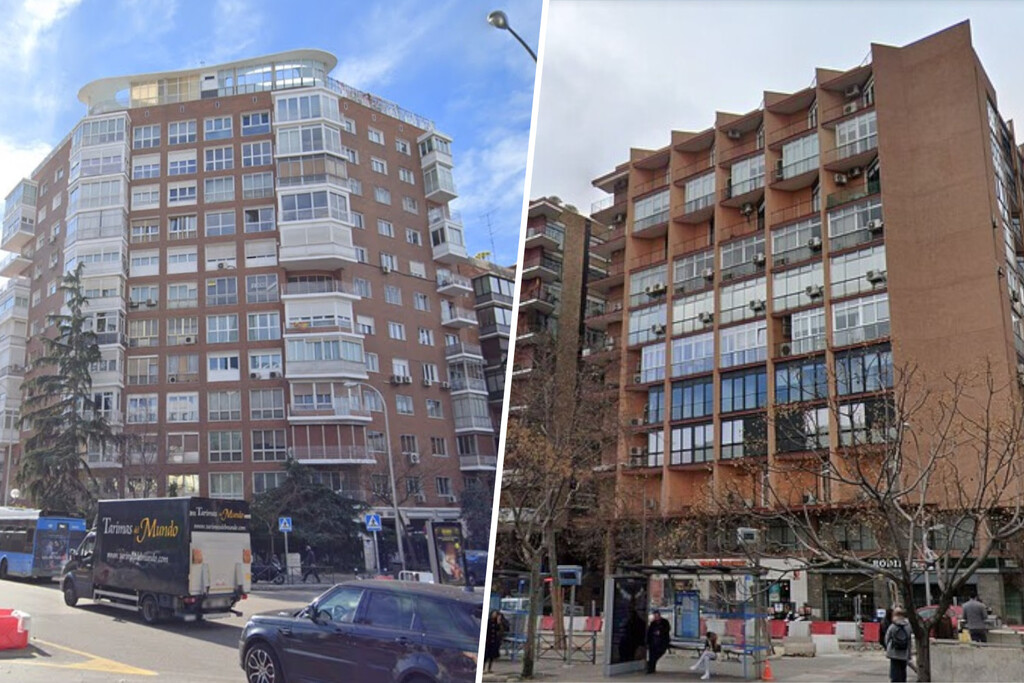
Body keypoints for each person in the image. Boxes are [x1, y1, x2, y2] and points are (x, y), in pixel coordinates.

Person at [884, 607, 912, 682]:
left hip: (894, 652)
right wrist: (909, 654)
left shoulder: (893, 626)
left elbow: (887, 638)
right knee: (903, 671)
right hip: (904, 652)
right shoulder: (908, 626)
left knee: (895, 672)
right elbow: (909, 640)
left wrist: (888, 648)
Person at [645, 609, 672, 674]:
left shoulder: (664, 622)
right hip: (653, 642)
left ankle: (651, 665)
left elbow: (667, 629)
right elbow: (649, 633)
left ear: (659, 616)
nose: (656, 618)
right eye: (655, 616)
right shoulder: (653, 623)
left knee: (658, 654)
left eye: (657, 616)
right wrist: (648, 642)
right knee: (652, 655)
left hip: (662, 642)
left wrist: (660, 632)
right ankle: (651, 669)